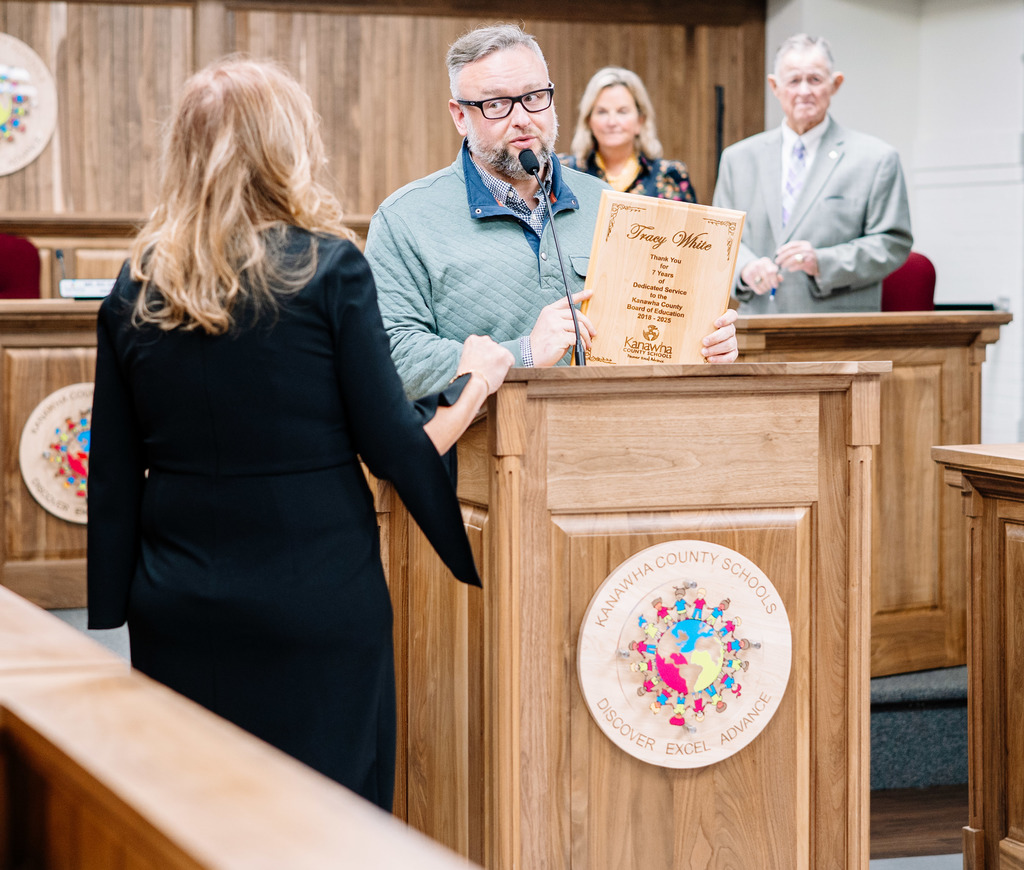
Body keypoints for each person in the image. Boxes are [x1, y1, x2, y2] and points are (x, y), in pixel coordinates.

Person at [85, 58, 513, 811]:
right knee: (329, 817)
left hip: (178, 593)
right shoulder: (328, 269)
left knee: (192, 811)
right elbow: (393, 449)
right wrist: (477, 378)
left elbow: (113, 474)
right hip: (316, 596)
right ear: (288, 145)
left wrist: (109, 613)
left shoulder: (139, 282)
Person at [364, 24, 737, 401]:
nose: (523, 118)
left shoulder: (609, 205)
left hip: (610, 444)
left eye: (534, 96)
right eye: (496, 104)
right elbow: (394, 358)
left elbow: (649, 340)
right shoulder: (404, 218)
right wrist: (522, 354)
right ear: (460, 116)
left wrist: (701, 347)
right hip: (481, 450)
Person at [712, 34, 912, 314]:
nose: (804, 91)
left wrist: (823, 261)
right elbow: (720, 239)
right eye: (794, 81)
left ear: (835, 84)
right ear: (775, 86)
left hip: (838, 328)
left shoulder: (876, 159)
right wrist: (746, 268)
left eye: (815, 80)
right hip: (757, 324)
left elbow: (892, 243)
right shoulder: (738, 159)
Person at [561, 66, 697, 203]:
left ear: (640, 120)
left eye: (622, 111)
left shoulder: (669, 176)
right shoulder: (564, 173)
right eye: (602, 112)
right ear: (588, 120)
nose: (612, 122)